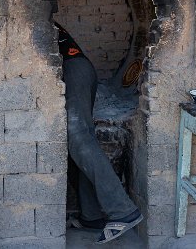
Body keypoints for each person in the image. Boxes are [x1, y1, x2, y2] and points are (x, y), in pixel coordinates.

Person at [56, 23, 143, 244]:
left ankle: (123, 210)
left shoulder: (34, 16)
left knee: (77, 137)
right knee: (77, 145)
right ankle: (91, 216)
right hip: (79, 69)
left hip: (73, 68)